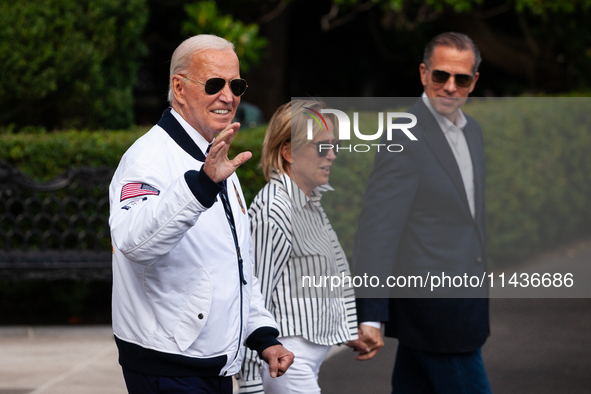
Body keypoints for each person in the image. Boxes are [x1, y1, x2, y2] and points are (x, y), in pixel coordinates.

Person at [109, 34, 294, 394]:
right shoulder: (147, 157)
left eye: (235, 84)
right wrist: (201, 187)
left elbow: (235, 263)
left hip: (213, 365)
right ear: (179, 88)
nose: (228, 95)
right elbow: (133, 242)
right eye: (214, 83)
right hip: (168, 365)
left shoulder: (214, 155)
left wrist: (263, 336)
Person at [353, 32, 492, 393]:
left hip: (462, 307)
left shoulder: (472, 131)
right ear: (422, 73)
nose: (449, 87)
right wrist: (370, 315)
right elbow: (377, 230)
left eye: (461, 79)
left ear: (474, 81)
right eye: (440, 76)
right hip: (438, 319)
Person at [236, 100, 367, 394]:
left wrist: (346, 331)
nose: (332, 155)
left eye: (334, 146)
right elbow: (253, 294)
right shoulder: (275, 209)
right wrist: (251, 383)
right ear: (288, 151)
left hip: (303, 360)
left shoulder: (309, 203)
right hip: (286, 363)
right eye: (322, 147)